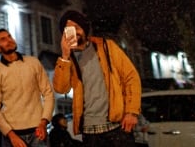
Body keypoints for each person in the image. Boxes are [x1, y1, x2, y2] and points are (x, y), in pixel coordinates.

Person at [52, 10, 141, 147]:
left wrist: (132, 112)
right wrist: (64, 56)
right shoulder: (67, 60)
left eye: (77, 27)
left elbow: (131, 77)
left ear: (84, 29)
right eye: (69, 29)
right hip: (90, 132)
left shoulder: (106, 46)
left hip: (117, 127)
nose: (74, 32)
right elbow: (60, 88)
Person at [0, 29, 54, 147]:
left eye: (9, 36)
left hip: (37, 131)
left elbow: (48, 93)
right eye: (3, 39)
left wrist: (44, 122)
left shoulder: (33, 63)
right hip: (12, 134)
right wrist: (10, 134)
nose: (9, 40)